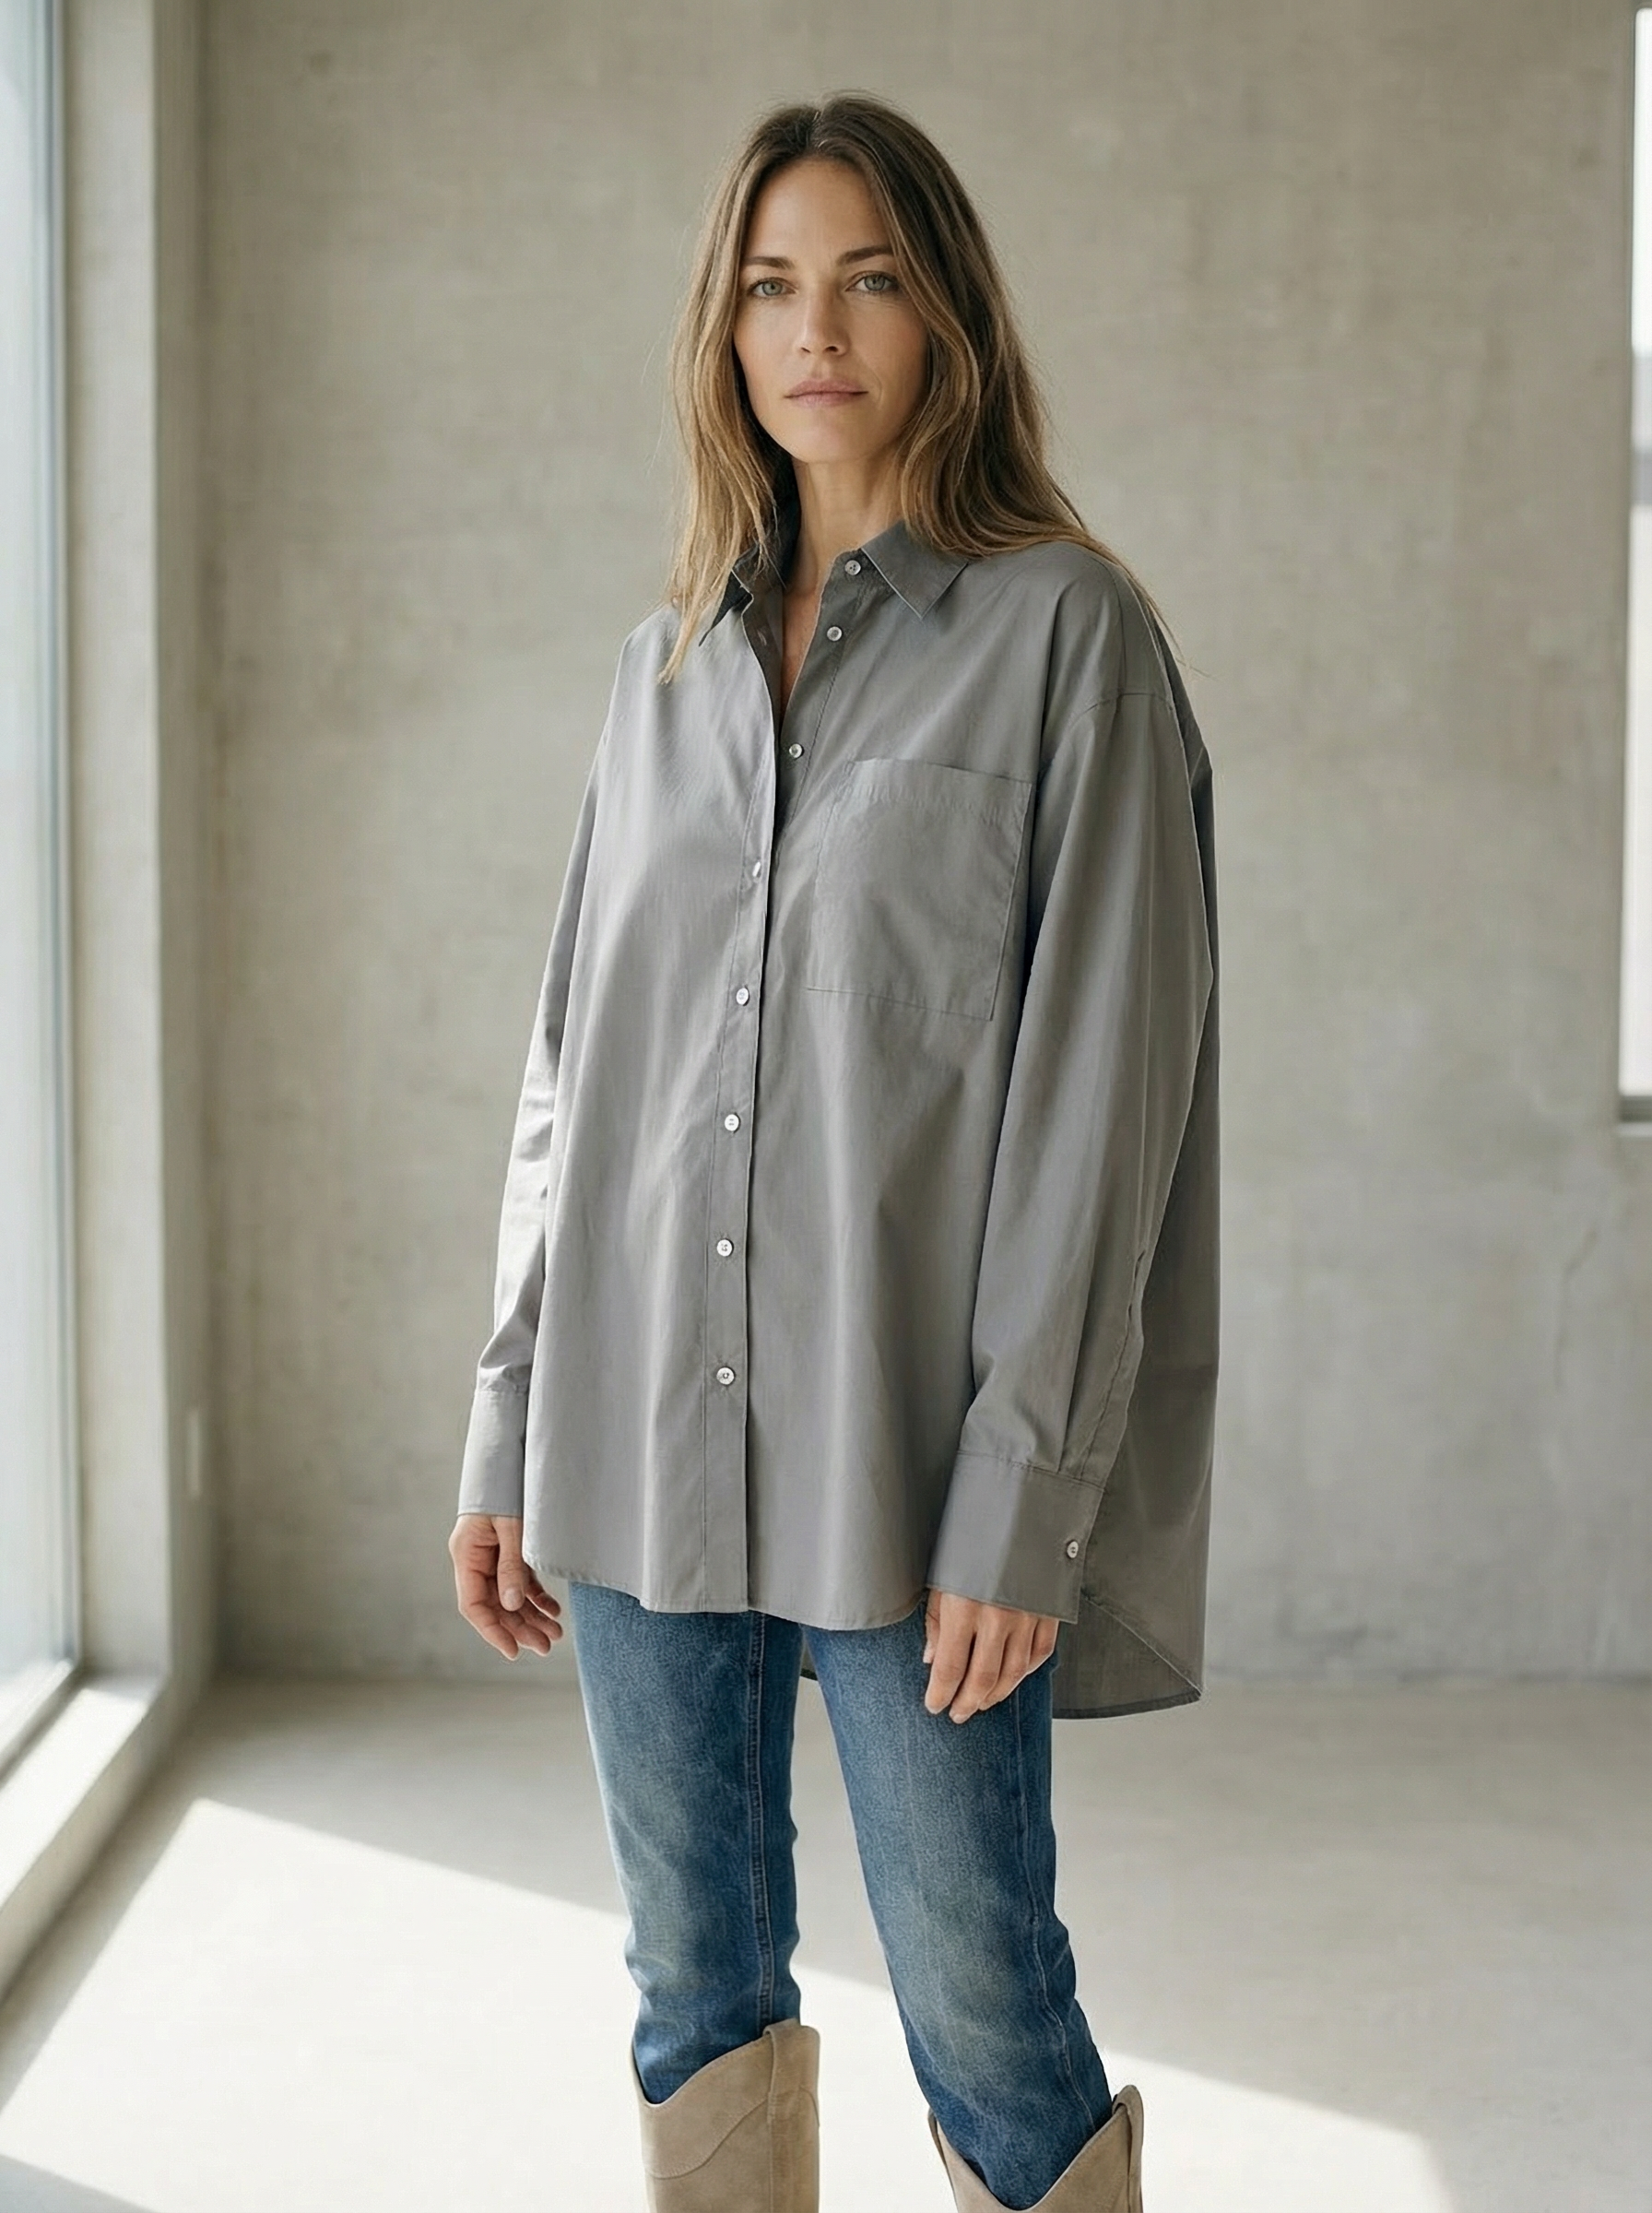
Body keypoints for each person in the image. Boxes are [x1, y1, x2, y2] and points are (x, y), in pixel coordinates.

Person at [448, 89, 1218, 2213]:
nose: (818, 329)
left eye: (867, 275)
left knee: (981, 1998)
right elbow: (567, 1065)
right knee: (689, 1986)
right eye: (772, 285)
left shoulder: (1072, 640)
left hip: (917, 1465)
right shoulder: (661, 666)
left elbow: (1100, 1104)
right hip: (629, 1440)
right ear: (723, 330)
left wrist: (1022, 1500)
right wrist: (507, 1413)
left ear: (943, 311)